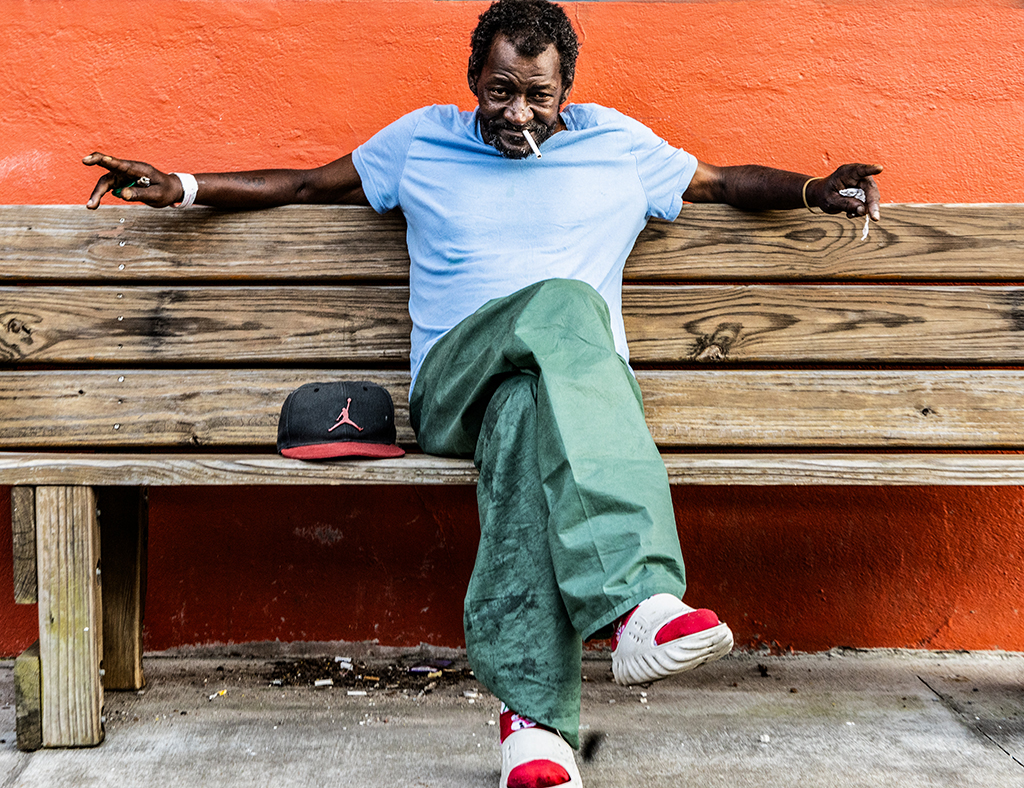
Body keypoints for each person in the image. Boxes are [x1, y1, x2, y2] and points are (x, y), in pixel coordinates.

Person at [84, 2, 881, 785]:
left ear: (567, 92)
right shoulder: (421, 141)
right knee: (567, 304)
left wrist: (819, 189)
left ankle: (533, 730)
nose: (518, 112)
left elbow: (723, 181)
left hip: (570, 409)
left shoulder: (619, 147)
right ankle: (638, 598)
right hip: (451, 389)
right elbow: (303, 183)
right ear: (474, 79)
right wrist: (181, 184)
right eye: (501, 90)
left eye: (539, 94)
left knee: (528, 413)